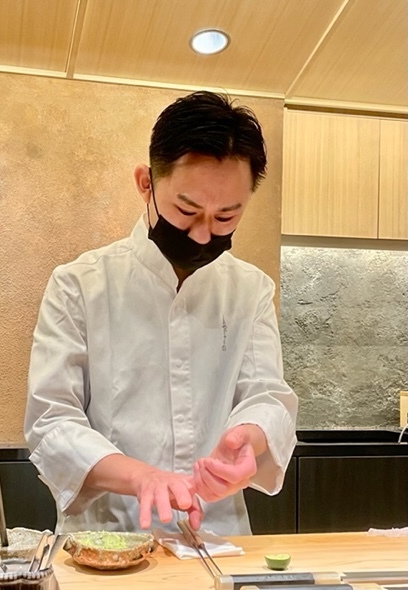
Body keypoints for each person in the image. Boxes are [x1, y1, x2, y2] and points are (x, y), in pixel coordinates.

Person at [24, 91, 298, 536]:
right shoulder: (80, 285)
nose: (203, 234)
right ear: (146, 183)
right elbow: (51, 420)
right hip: (108, 539)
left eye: (226, 217)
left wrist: (249, 438)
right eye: (187, 210)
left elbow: (266, 396)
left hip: (219, 539)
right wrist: (142, 477)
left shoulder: (250, 290)